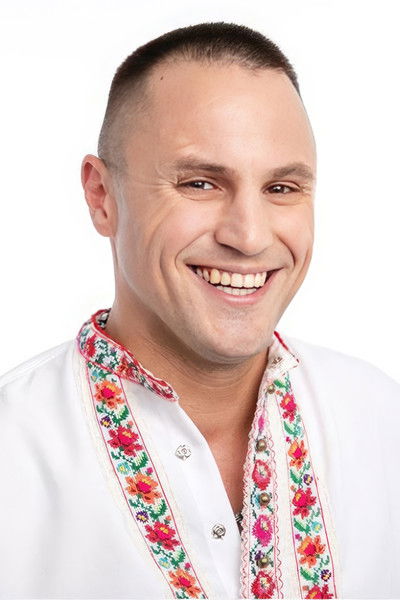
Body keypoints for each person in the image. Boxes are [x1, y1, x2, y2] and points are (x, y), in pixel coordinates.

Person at [0, 22, 399, 600]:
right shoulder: (13, 456)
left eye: (282, 188)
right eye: (200, 183)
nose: (249, 235)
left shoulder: (381, 421)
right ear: (101, 197)